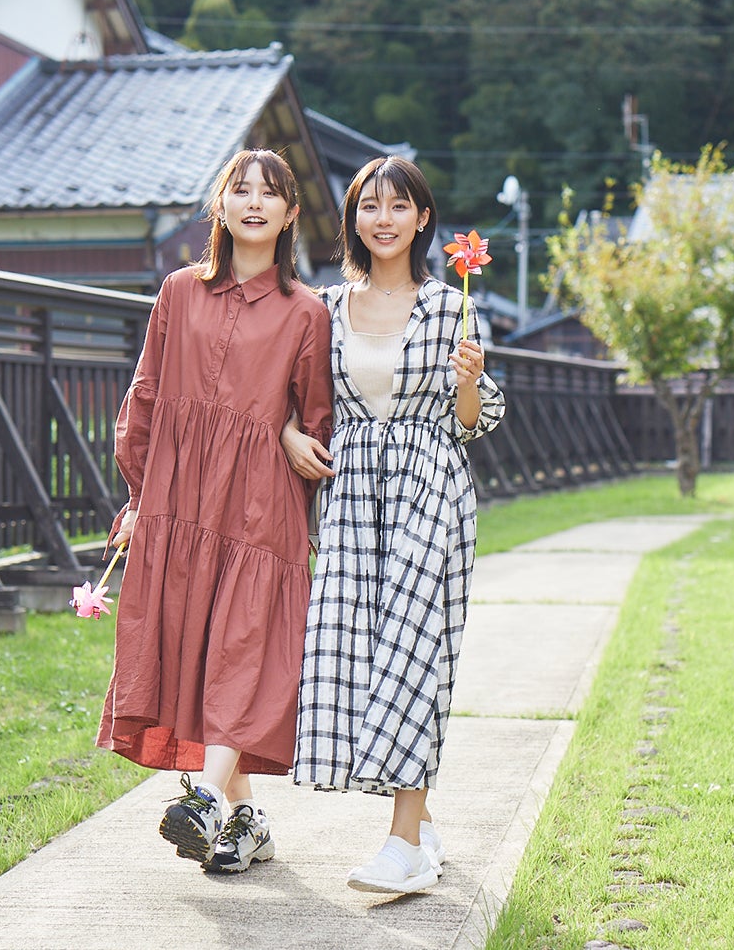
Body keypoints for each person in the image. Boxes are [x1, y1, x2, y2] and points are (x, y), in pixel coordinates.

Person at [98, 148, 334, 875]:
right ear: (220, 207)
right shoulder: (176, 292)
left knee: (238, 651)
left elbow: (319, 423)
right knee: (197, 658)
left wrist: (293, 432)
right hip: (178, 503)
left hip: (260, 512)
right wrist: (141, 497)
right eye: (241, 189)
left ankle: (202, 797)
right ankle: (247, 820)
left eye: (272, 192)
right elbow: (145, 395)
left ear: (291, 214)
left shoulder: (308, 313)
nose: (255, 201)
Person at [281, 155, 505, 894]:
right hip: (350, 498)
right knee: (357, 652)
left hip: (428, 488)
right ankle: (423, 823)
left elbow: (471, 424)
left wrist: (468, 381)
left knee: (416, 653)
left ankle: (402, 842)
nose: (384, 218)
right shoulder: (321, 305)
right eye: (369, 206)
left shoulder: (455, 307)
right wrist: (287, 434)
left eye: (398, 206)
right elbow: (290, 397)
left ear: (423, 219)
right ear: (353, 219)